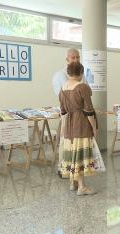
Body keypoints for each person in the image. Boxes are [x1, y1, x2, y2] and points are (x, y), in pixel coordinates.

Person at [59, 62, 97, 196]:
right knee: (80, 155)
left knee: (72, 153)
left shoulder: (62, 88)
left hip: (68, 126)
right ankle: (82, 187)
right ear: (81, 73)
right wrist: (94, 127)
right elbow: (88, 111)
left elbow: (63, 111)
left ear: (68, 73)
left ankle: (72, 182)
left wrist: (63, 128)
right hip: (81, 124)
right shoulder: (83, 87)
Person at [53, 48, 88, 178]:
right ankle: (63, 169)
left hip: (81, 114)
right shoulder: (60, 75)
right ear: (67, 59)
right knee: (65, 140)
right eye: (73, 58)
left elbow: (87, 91)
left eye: (77, 57)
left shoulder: (82, 74)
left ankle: (76, 169)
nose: (76, 60)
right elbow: (67, 95)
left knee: (78, 142)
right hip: (68, 113)